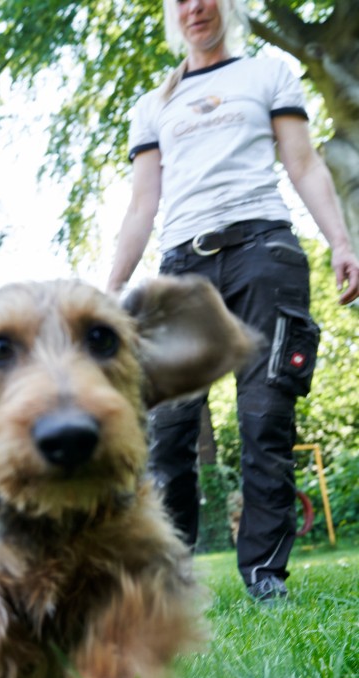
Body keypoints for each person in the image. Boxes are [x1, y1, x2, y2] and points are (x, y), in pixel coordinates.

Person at [106, 0, 359, 602]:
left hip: (263, 253)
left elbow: (303, 163)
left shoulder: (268, 74)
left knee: (266, 419)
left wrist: (342, 242)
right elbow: (143, 205)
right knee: (166, 430)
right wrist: (109, 290)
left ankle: (265, 579)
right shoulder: (153, 105)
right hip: (180, 273)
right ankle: (165, 582)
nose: (196, 6)